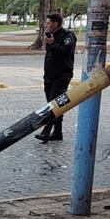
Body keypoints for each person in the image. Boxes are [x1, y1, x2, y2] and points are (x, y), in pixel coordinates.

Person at [35, 12, 76, 142]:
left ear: (56, 24)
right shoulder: (50, 36)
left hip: (62, 75)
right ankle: (57, 132)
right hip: (49, 75)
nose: (46, 25)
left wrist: (52, 44)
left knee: (54, 104)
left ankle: (46, 131)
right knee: (54, 103)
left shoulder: (68, 36)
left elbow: (66, 51)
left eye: (48, 23)